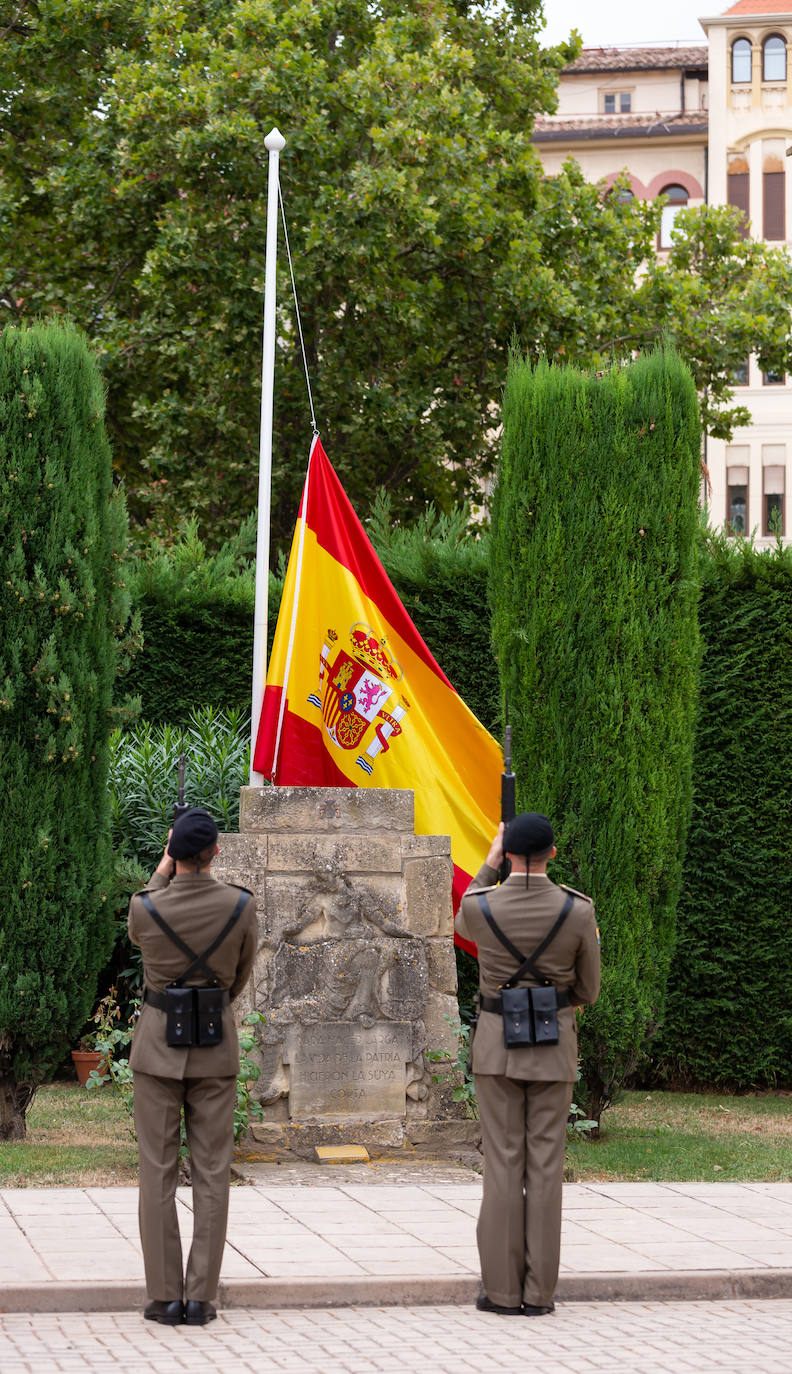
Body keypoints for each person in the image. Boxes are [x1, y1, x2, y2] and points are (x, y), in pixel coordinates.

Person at [456, 812, 600, 1318]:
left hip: (497, 1047)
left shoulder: (481, 905)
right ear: (553, 855)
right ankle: (539, 1294)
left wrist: (488, 864)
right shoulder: (578, 911)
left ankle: (500, 1291)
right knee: (545, 1167)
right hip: (554, 1046)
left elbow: (459, 921)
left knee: (502, 1164)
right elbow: (589, 989)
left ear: (508, 854)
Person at [127, 807, 258, 1326]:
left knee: (156, 1173)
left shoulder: (146, 907)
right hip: (214, 1044)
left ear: (173, 851)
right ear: (216, 853)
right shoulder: (240, 906)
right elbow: (240, 975)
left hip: (158, 1047)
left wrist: (165, 861)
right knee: (211, 1173)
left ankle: (163, 1295)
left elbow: (143, 919)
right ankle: (200, 1297)